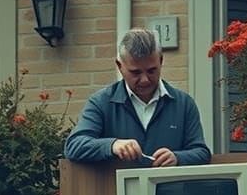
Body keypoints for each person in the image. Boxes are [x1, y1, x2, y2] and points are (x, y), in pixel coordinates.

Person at [64, 28, 210, 167]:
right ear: (119, 66)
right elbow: (74, 145)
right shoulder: (101, 102)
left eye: (152, 70)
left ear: (161, 60)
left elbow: (202, 152)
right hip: (116, 192)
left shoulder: (184, 104)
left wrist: (178, 158)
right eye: (135, 72)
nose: (145, 79)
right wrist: (113, 145)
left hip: (169, 192)